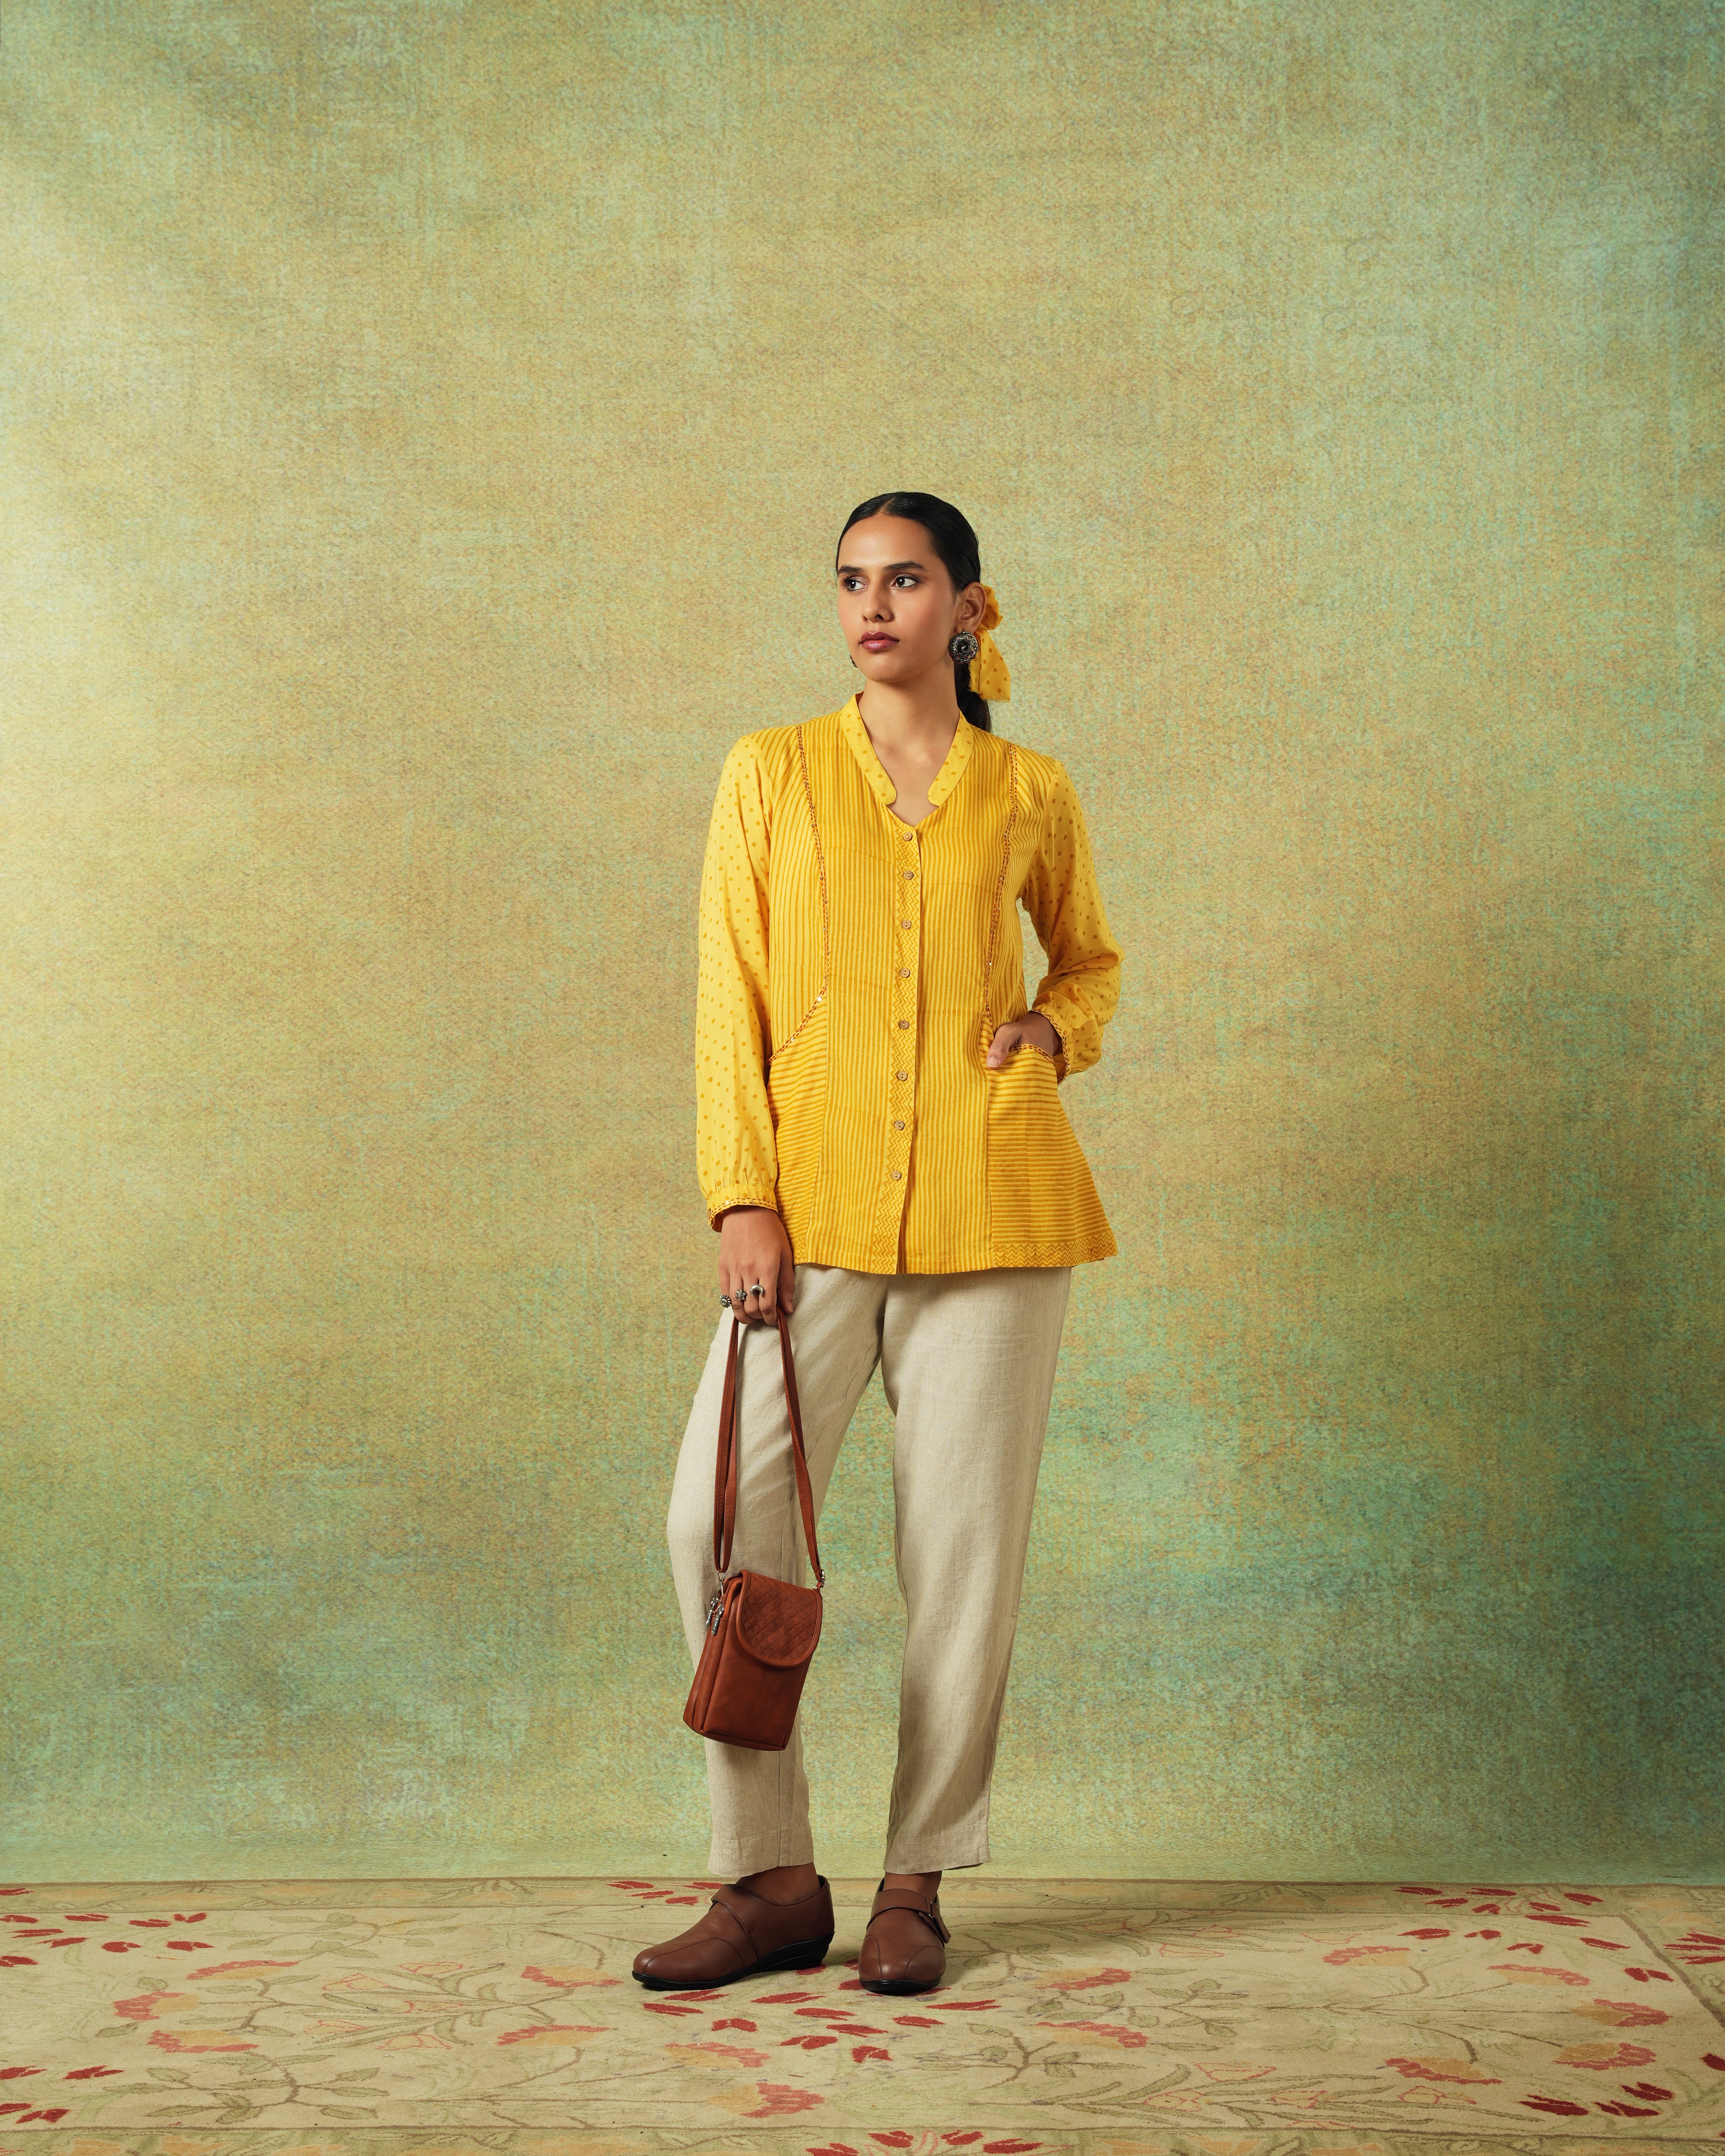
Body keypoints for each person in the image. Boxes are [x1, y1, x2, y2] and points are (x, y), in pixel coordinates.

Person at [633, 491, 1123, 1998]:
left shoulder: (1028, 788)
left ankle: (918, 1880)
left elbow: (1090, 961)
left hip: (997, 1208)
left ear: (966, 608)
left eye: (905, 580)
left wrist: (1054, 1030)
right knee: (716, 1523)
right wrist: (743, 1195)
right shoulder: (770, 772)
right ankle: (772, 1877)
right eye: (852, 580)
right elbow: (729, 990)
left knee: (961, 1556)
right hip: (813, 1218)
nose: (872, 605)